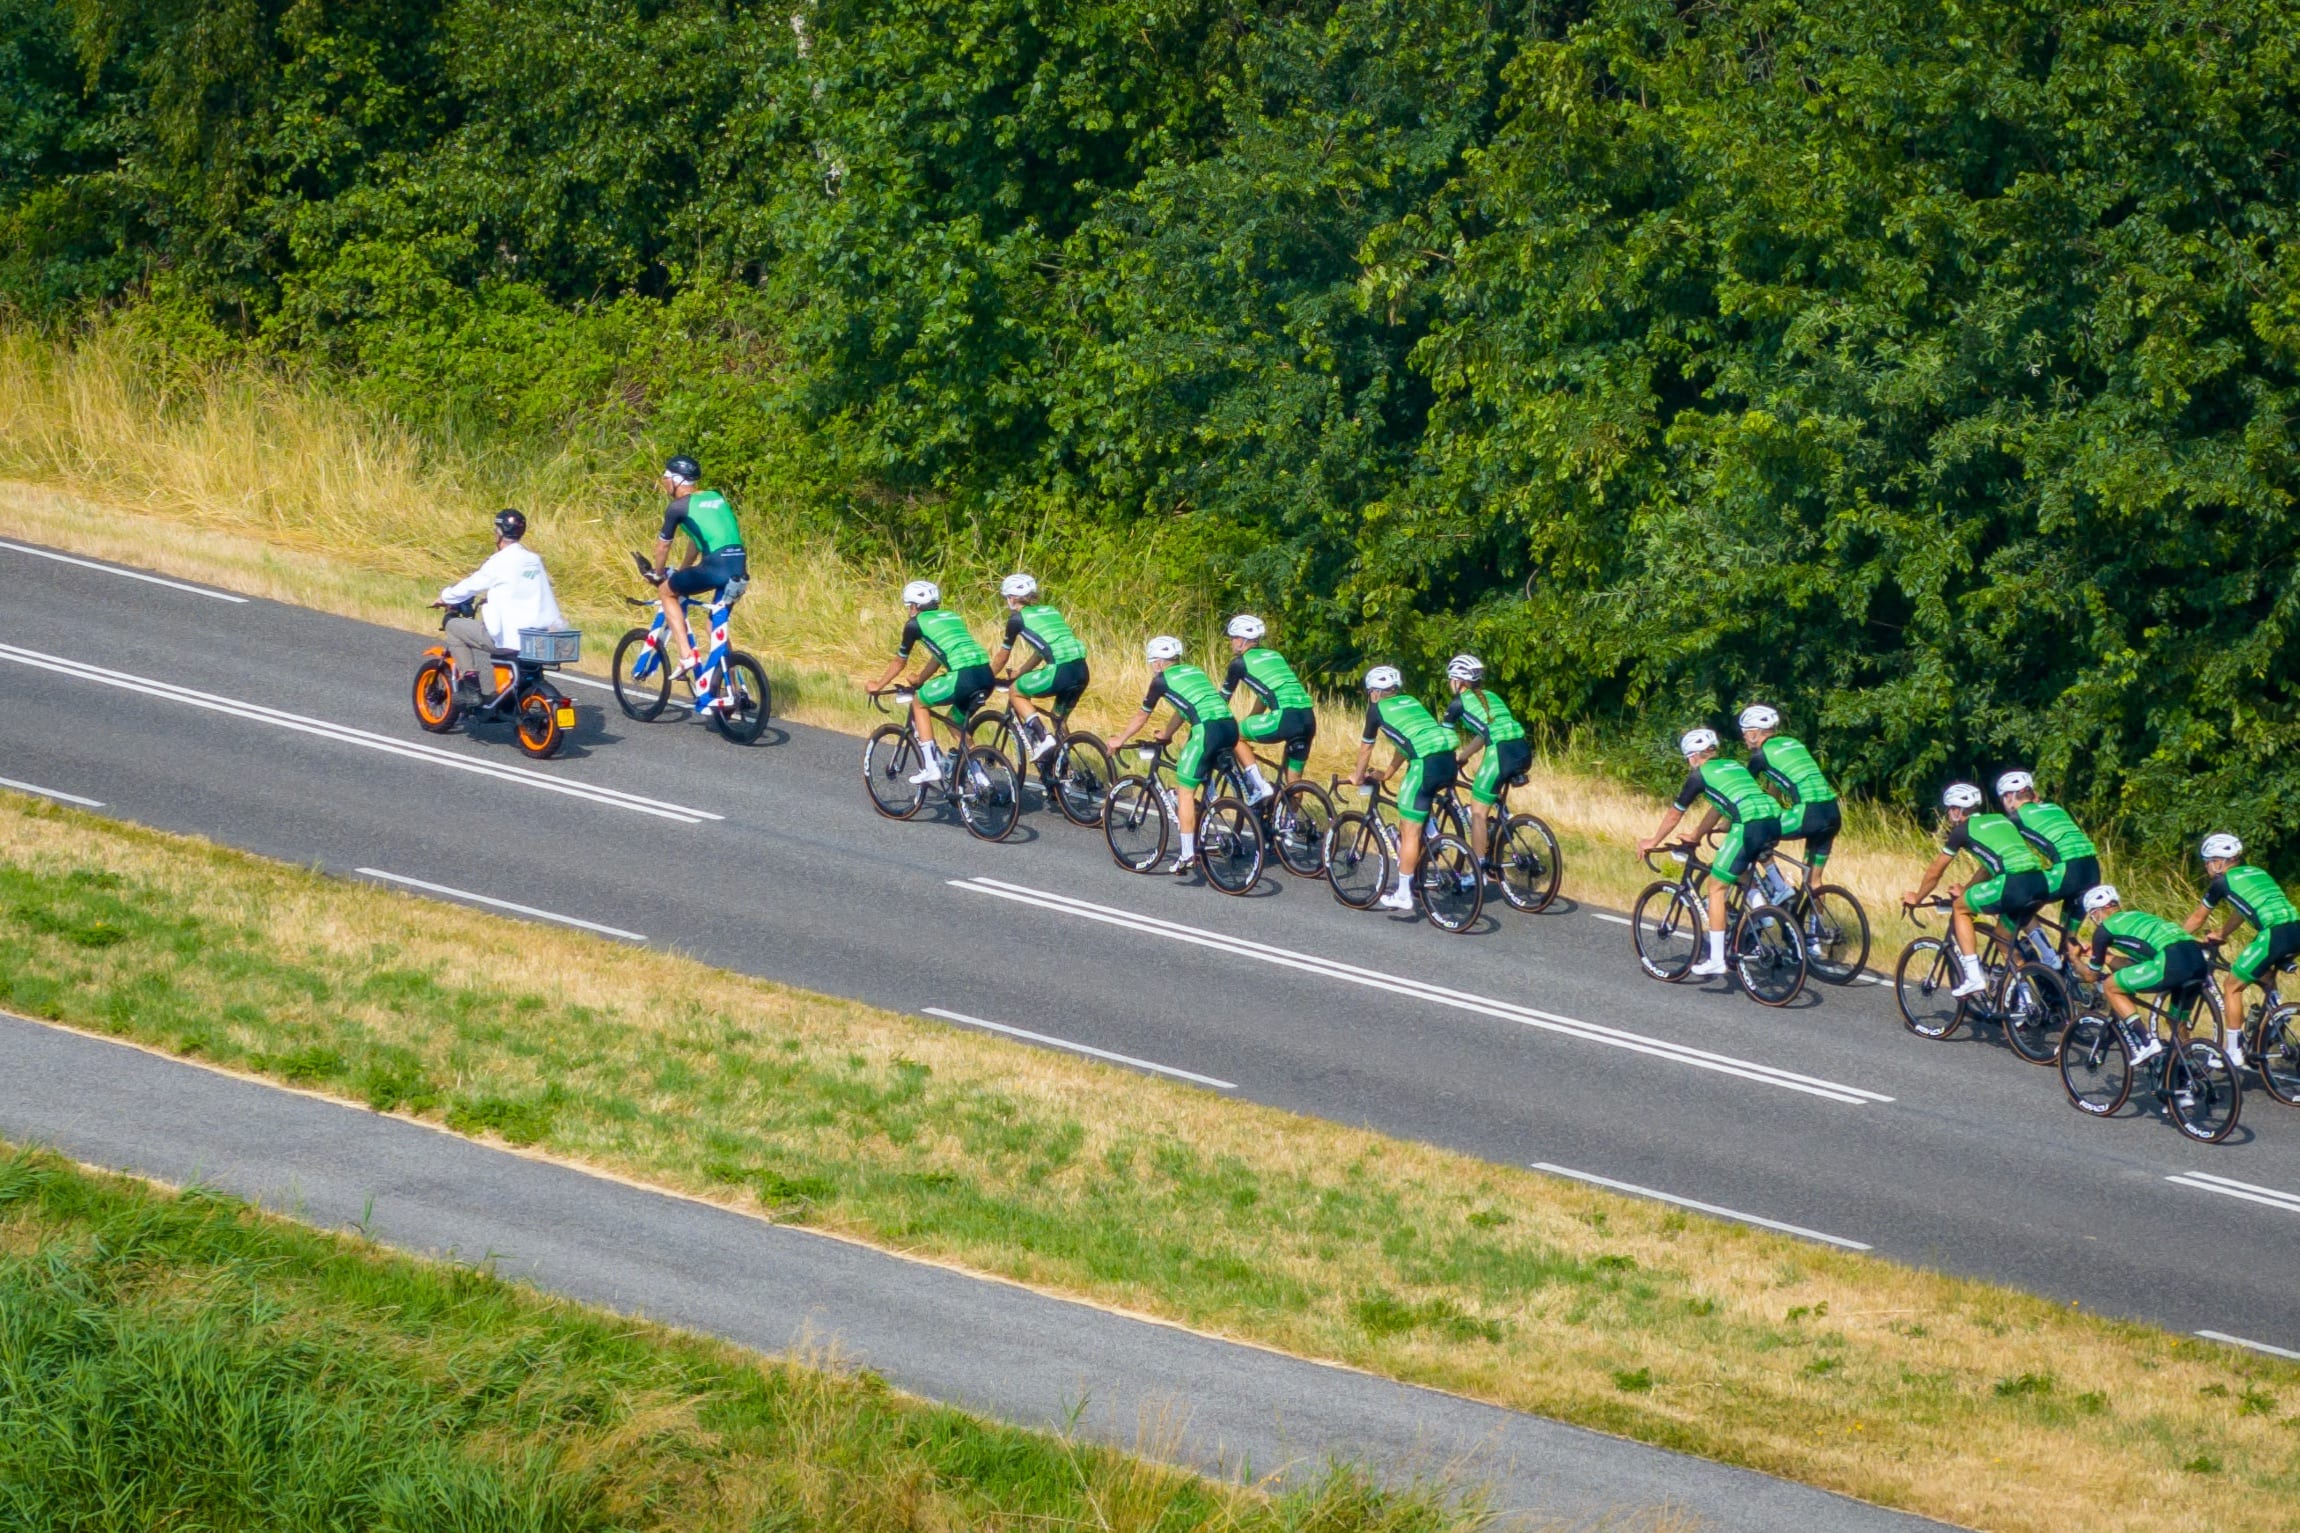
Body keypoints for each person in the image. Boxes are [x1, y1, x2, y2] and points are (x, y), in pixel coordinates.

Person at [1637, 728, 1784, 977]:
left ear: (1693, 756)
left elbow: (1675, 813)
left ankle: (1717, 959)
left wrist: (1653, 840)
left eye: (1688, 760)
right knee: (1738, 870)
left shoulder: (1699, 776)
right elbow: (1717, 808)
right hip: (1774, 820)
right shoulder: (1733, 766)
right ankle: (1763, 913)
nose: (1689, 765)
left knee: (1716, 886)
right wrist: (1695, 836)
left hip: (1748, 824)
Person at [1898, 782, 2050, 999]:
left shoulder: (1961, 830)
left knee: (1960, 909)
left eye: (1950, 809)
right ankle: (2026, 1003)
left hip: (2013, 883)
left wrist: (1917, 897)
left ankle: (1973, 976)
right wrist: (1968, 891)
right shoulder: (2001, 819)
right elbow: (1987, 867)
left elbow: (1935, 870)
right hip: (2039, 883)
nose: (1949, 814)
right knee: (2003, 939)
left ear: (1959, 810)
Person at [1110, 637, 1241, 877]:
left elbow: (1142, 716)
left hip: (1207, 731)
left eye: (1152, 663)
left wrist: (1120, 739)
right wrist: (1168, 733)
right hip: (1230, 727)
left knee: (1185, 791)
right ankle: (1208, 816)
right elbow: (1185, 708)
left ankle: (1187, 854)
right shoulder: (1194, 671)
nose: (1152, 667)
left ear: (1159, 662)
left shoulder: (1160, 681)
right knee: (1199, 774)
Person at [865, 580, 996, 785]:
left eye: (909, 606)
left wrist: (878, 685)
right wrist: (920, 679)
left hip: (963, 676)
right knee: (954, 722)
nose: (909, 610)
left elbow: (900, 662)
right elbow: (938, 655)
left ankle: (930, 766)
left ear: (914, 606)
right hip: (987, 675)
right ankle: (980, 777)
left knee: (919, 702)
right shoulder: (952, 617)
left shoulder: (914, 624)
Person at [2182, 833, 2297, 1067]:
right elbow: (2241, 910)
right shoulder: (2257, 872)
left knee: (2232, 986)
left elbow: (2197, 918)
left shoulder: (2221, 882)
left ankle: (2232, 1052)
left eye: (2207, 862)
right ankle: (2276, 1012)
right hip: (2296, 929)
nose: (2207, 868)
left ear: (2219, 862)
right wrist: (2223, 934)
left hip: (2274, 935)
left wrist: (2174, 941)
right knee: (2261, 973)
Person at [1352, 667, 1459, 912]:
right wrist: (1388, 773)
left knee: (1409, 829)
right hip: (1448, 761)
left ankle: (1403, 894)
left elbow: (1366, 749)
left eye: (1370, 692)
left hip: (1425, 765)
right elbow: (1406, 742)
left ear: (1376, 693)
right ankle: (1433, 837)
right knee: (1419, 806)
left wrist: (1358, 776)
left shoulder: (1376, 710)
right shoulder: (1411, 701)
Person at [433, 509, 564, 712]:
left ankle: (471, 689)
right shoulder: (533, 560)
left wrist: (445, 596)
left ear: (499, 533)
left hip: (509, 639)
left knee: (454, 627)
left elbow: (470, 586)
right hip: (538, 638)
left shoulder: (499, 562)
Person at [2073, 885, 2208, 1067]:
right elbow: (2133, 967)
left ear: (2096, 912)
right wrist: (2106, 957)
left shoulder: (2103, 931)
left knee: (2110, 987)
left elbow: (2091, 976)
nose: (2093, 920)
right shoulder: (2138, 917)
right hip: (2196, 958)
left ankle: (2146, 1042)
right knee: (2176, 1021)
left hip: (2170, 960)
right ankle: (2190, 1065)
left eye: (2092, 916)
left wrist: (2074, 958)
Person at [647, 456, 747, 691]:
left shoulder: (678, 507)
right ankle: (732, 689)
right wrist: (683, 570)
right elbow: (697, 541)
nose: (663, 483)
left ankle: (685, 655)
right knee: (715, 626)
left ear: (675, 480)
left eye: (665, 478)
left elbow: (663, 547)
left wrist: (659, 574)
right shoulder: (715, 496)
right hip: (739, 567)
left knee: (666, 592)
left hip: (715, 567)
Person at [1441, 654, 1530, 875]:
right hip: (1522, 749)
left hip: (1500, 752)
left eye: (1451, 679)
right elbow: (1485, 733)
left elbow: (1444, 740)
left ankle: (1477, 871)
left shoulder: (1457, 704)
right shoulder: (1492, 696)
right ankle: (1497, 832)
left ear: (1459, 681)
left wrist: (1446, 763)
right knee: (1490, 797)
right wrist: (1464, 756)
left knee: (1478, 812)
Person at [987, 573, 1089, 763]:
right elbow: (1042, 651)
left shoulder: (1016, 619)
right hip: (1081, 670)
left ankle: (1043, 737)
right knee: (1059, 720)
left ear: (1011, 598)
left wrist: (987, 677)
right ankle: (1065, 770)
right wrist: (1019, 672)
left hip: (1059, 671)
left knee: (1016, 691)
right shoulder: (1051, 611)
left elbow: (1002, 656)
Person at [1997, 771, 2100, 958]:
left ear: (2009, 796)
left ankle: (2048, 956)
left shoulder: (2015, 819)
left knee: (2020, 903)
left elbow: (2003, 855)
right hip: (2092, 870)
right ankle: (2072, 977)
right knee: (2068, 938)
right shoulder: (2055, 808)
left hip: (2068, 871)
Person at [1739, 705, 1838, 898]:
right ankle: (1816, 928)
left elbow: (1742, 791)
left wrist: (1726, 823)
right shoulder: (1793, 743)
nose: (1743, 737)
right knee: (1813, 881)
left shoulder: (1760, 756)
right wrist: (1771, 808)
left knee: (1756, 833)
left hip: (1808, 814)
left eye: (1744, 732)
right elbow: (1775, 782)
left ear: (1753, 733)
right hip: (1832, 813)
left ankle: (1780, 887)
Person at [1220, 614, 1310, 803]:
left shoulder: (1238, 664)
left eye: (1232, 638)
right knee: (1294, 783)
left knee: (1234, 735)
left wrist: (1238, 731)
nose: (1231, 642)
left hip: (1285, 718)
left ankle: (1259, 787)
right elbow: (1266, 695)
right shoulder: (1275, 655)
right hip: (1308, 718)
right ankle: (1287, 826)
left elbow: (1221, 702)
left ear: (1241, 641)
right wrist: (1250, 725)